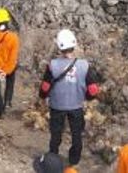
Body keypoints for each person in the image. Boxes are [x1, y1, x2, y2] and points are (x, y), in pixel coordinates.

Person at [39, 29, 101, 169]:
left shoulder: (53, 65)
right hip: (76, 106)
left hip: (57, 106)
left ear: (59, 47)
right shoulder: (84, 65)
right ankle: (73, 161)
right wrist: (86, 98)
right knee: (76, 135)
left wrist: (43, 97)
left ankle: (52, 159)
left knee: (56, 134)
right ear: (74, 45)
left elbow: (45, 87)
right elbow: (93, 90)